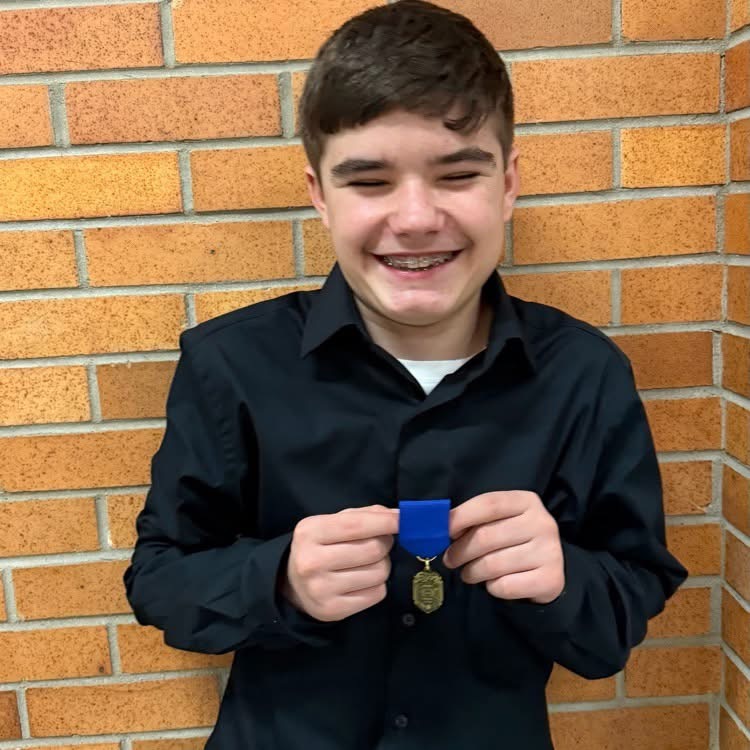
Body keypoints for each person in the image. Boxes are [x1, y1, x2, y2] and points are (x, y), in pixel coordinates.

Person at [123, 1, 688, 748]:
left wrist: (563, 579)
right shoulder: (229, 364)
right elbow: (159, 579)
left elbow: (624, 609)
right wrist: (277, 579)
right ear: (320, 195)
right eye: (369, 181)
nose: (417, 218)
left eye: (458, 174)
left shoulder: (585, 375)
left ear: (508, 184)